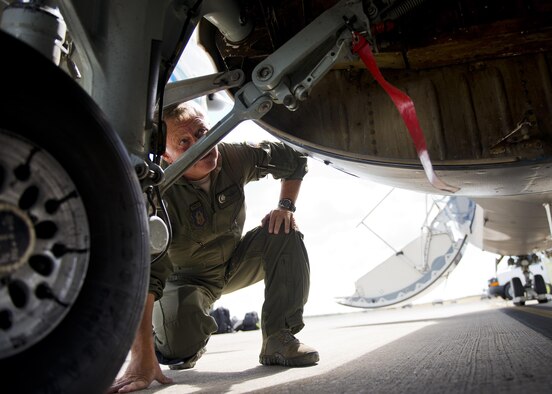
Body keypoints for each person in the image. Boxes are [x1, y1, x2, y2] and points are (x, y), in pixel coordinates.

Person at [109, 102, 318, 393]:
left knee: (285, 232)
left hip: (233, 264)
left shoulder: (235, 157)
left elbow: (295, 160)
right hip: (184, 281)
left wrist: (285, 206)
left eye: (203, 132)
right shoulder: (157, 193)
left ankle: (279, 337)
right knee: (177, 350)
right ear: (166, 156)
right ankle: (184, 338)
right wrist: (140, 355)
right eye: (184, 142)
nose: (201, 145)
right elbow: (144, 274)